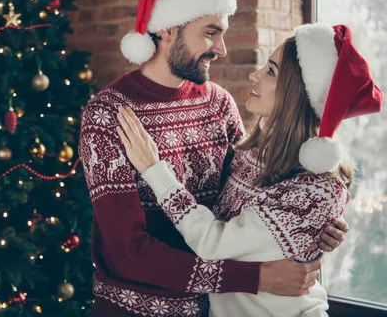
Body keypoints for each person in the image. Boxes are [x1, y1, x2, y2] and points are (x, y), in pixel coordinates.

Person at [79, 0, 348, 317]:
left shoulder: (218, 103)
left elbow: (245, 199)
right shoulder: (108, 115)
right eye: (210, 33)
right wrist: (257, 278)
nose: (221, 49)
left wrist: (315, 225)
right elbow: (128, 254)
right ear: (169, 30)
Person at [116, 22, 384, 316]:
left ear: (297, 94)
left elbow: (213, 242)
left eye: (270, 71)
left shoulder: (316, 190)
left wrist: (154, 169)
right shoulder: (252, 150)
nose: (254, 75)